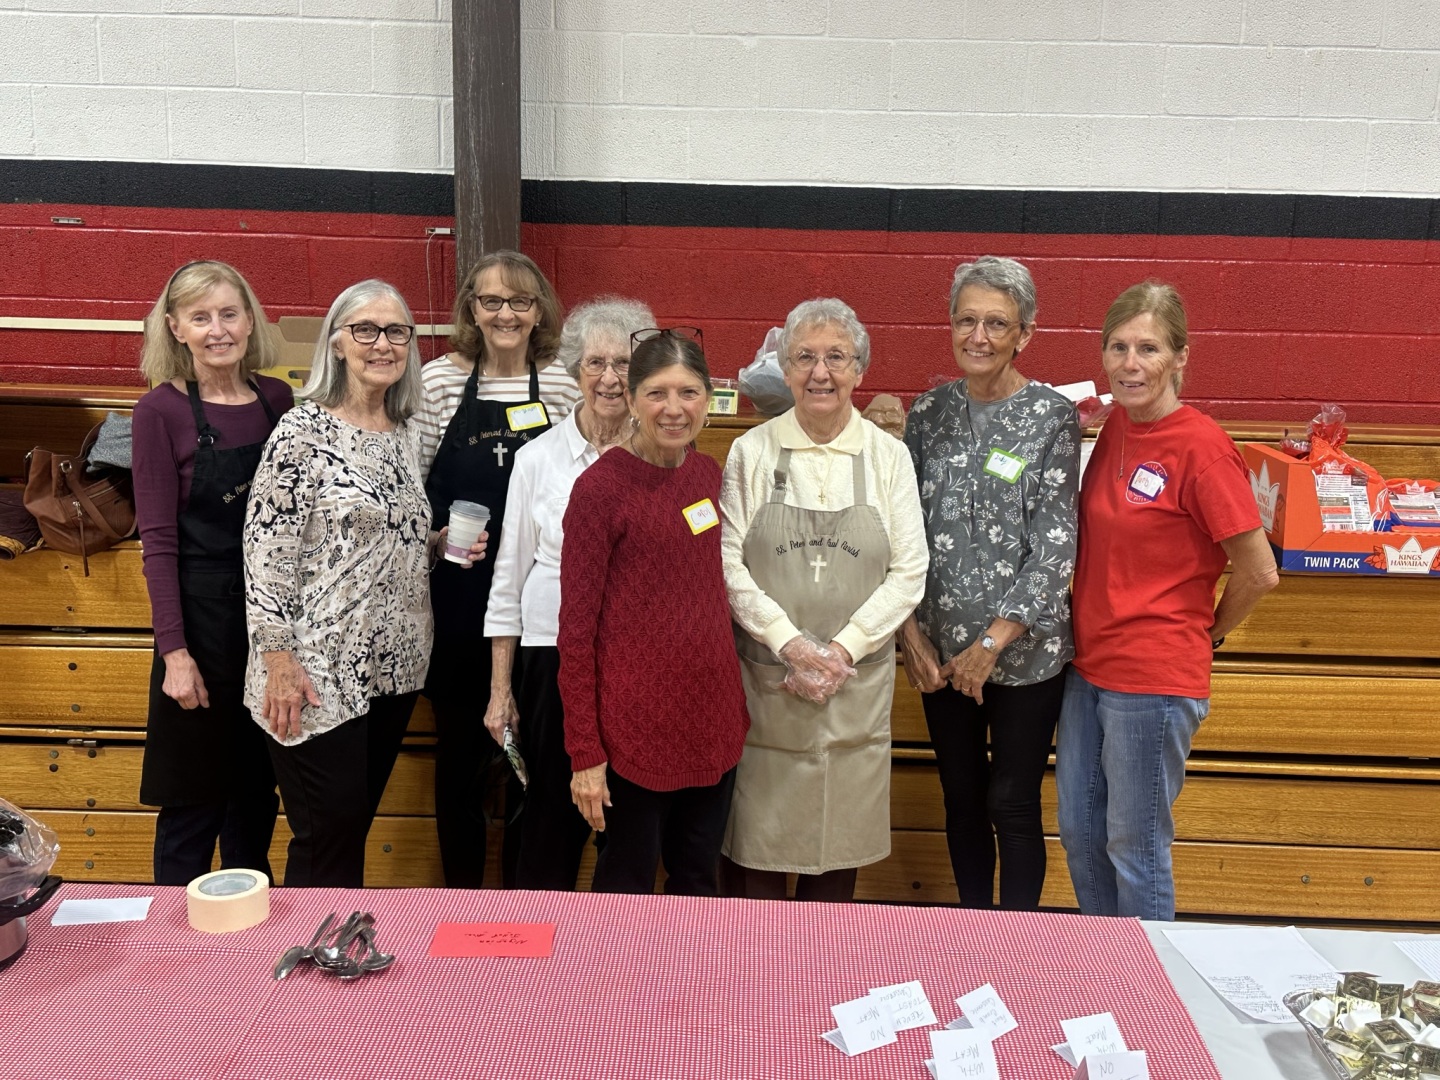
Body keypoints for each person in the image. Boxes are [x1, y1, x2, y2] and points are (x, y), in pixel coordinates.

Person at [243, 279, 485, 888]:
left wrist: (438, 544)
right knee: (326, 834)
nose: (383, 344)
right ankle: (310, 942)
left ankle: (335, 935)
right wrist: (279, 662)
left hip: (393, 666)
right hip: (317, 667)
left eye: (396, 331)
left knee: (350, 827)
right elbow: (265, 555)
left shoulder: (402, 431)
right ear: (337, 342)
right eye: (366, 330)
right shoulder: (301, 432)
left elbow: (385, 535)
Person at [1057, 281, 1278, 921]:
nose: (1130, 363)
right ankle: (1108, 958)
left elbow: (1260, 571)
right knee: (1080, 833)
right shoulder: (1116, 428)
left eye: (1148, 349)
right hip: (1088, 667)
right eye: (1118, 347)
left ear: (1180, 356)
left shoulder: (1202, 448)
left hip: (1153, 680)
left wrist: (1208, 634)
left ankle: (1150, 972)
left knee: (1135, 848)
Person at [719, 298, 926, 902]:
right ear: (784, 369)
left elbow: (909, 570)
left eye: (836, 357)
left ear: (859, 369)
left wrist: (842, 651)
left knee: (835, 864)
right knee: (756, 853)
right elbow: (728, 564)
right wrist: (788, 643)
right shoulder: (751, 452)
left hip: (852, 685)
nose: (820, 373)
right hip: (769, 681)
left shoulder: (888, 456)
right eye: (804, 357)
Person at [899, 256, 1081, 910]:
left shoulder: (1053, 416)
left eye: (996, 323)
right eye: (966, 320)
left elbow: (1056, 542)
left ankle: (1016, 938)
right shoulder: (927, 415)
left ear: (1024, 334)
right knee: (961, 795)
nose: (978, 336)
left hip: (1025, 653)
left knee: (1012, 799)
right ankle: (974, 929)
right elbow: (902, 532)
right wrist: (910, 636)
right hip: (941, 651)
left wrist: (992, 643)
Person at [559, 328, 749, 895]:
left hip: (711, 724)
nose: (674, 409)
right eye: (657, 393)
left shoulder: (708, 476)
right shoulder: (599, 491)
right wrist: (585, 754)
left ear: (708, 399)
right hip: (632, 735)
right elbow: (576, 635)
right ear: (632, 398)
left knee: (698, 881)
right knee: (627, 887)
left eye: (688, 393)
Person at [483, 296, 654, 890]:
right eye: (594, 363)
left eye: (623, 364)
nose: (609, 379)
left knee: (626, 819)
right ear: (575, 370)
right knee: (551, 814)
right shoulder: (538, 459)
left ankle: (613, 936)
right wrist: (500, 691)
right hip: (550, 655)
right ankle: (535, 931)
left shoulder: (660, 456)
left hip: (635, 662)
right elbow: (508, 577)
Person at [416, 250, 574, 889]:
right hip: (457, 601)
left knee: (533, 765)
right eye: (491, 301)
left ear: (539, 312)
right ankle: (460, 895)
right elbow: (408, 487)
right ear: (471, 311)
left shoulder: (562, 385)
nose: (506, 314)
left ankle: (524, 898)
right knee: (460, 763)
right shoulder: (437, 383)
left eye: (520, 301)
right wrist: (435, 539)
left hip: (538, 603)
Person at [133, 260, 291, 886]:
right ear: (176, 328)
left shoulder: (279, 402)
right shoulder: (158, 412)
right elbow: (157, 543)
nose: (217, 330)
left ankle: (248, 931)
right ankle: (173, 934)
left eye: (229, 314)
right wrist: (174, 653)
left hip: (267, 627)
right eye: (200, 318)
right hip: (199, 627)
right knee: (193, 802)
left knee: (255, 796)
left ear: (250, 321)